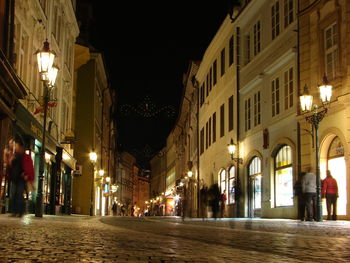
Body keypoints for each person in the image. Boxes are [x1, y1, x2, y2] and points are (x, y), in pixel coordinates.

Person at [9, 135, 34, 217]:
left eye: (16, 145)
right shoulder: (14, 155)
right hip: (14, 178)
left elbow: (28, 167)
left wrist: (26, 174)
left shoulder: (24, 156)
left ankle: (20, 212)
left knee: (19, 194)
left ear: (20, 146)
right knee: (13, 194)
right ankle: (15, 211)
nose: (15, 147)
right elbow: (11, 166)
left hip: (21, 178)